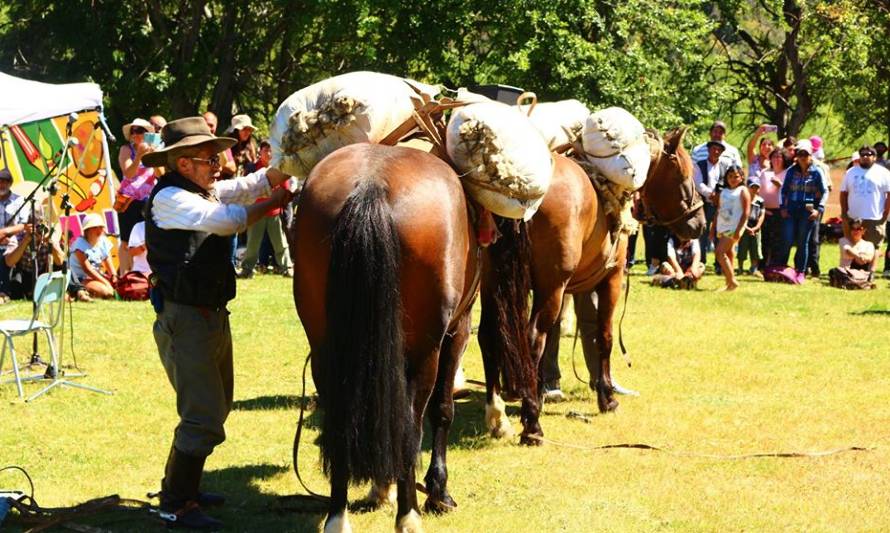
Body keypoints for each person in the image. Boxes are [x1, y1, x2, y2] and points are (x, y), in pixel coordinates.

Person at [141, 117, 293, 529]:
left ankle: (184, 487)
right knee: (202, 414)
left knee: (216, 404)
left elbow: (249, 185)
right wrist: (274, 203)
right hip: (186, 319)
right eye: (207, 158)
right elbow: (229, 220)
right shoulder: (170, 198)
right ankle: (175, 502)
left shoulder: (197, 189)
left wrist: (289, 168)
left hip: (205, 315)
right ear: (183, 163)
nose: (217, 163)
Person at [237, 141, 293, 278]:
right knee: (252, 244)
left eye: (270, 150)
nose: (268, 153)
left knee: (281, 243)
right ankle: (247, 269)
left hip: (274, 212)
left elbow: (285, 188)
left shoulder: (279, 167)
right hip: (256, 211)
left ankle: (287, 268)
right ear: (260, 152)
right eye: (265, 150)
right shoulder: (252, 168)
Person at [778, 140, 827, 283]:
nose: (802, 156)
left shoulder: (817, 172)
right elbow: (784, 190)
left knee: (802, 241)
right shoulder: (791, 171)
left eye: (805, 154)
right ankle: (782, 268)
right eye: (800, 153)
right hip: (791, 209)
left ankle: (801, 271)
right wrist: (783, 207)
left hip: (808, 210)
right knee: (786, 240)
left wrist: (819, 209)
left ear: (811, 155)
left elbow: (824, 192)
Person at [117, 118, 160, 274]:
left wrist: (154, 157)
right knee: (126, 240)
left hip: (150, 200)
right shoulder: (126, 149)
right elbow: (128, 173)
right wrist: (139, 156)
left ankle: (148, 273)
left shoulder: (156, 149)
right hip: (128, 200)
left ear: (148, 133)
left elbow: (161, 174)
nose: (135, 134)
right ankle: (124, 276)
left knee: (150, 237)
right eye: (133, 131)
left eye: (139, 131)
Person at [839, 145, 890, 273]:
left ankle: (871, 272)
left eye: (868, 154)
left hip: (874, 217)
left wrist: (885, 214)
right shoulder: (851, 172)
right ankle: (850, 271)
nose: (865, 156)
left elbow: (889, 194)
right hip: (853, 216)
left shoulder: (884, 173)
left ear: (875, 157)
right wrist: (844, 213)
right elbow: (843, 193)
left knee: (874, 246)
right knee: (853, 244)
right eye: (862, 154)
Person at [710, 165, 750, 291]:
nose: (733, 179)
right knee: (728, 254)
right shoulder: (724, 192)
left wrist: (739, 229)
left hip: (734, 227)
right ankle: (729, 283)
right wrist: (713, 228)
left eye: (736, 176)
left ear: (741, 177)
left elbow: (746, 212)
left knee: (719, 252)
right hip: (722, 227)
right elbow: (718, 210)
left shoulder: (743, 190)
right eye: (730, 176)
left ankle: (732, 280)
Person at [692, 139, 729, 268]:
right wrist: (712, 195)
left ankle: (719, 263)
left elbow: (728, 183)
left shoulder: (725, 166)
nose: (716, 151)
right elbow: (698, 183)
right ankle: (701, 261)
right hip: (703, 203)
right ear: (708, 150)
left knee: (721, 232)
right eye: (713, 148)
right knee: (702, 231)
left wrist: (720, 196)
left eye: (719, 150)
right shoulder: (699, 164)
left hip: (721, 204)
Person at [69, 213, 117, 299]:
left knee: (114, 290)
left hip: (96, 277)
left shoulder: (103, 241)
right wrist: (106, 283)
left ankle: (83, 293)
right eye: (95, 227)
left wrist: (115, 278)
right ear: (87, 230)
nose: (99, 230)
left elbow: (109, 266)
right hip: (79, 279)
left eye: (101, 227)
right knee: (106, 292)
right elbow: (87, 269)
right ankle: (78, 292)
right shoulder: (79, 245)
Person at [758, 149, 791, 267]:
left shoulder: (788, 173)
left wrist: (780, 185)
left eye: (779, 157)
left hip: (781, 211)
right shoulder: (765, 173)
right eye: (774, 157)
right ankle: (763, 263)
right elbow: (759, 191)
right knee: (765, 238)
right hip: (765, 210)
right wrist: (762, 208)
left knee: (778, 239)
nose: (776, 159)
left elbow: (790, 192)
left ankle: (776, 264)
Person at [0, 168, 27, 303]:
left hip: (13, 240)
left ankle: (3, 292)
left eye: (5, 182)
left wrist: (5, 233)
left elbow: (24, 225)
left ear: (10, 183)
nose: (2, 185)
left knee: (6, 255)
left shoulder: (20, 201)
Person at [829, 218, 876, 289]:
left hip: (863, 271)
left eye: (858, 228)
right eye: (853, 228)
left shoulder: (869, 244)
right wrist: (860, 256)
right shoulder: (843, 240)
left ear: (864, 231)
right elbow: (848, 251)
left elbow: (869, 258)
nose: (855, 231)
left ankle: (866, 278)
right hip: (847, 272)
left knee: (876, 253)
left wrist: (859, 257)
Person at [737, 178, 765, 276]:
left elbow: (762, 215)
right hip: (744, 226)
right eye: (752, 187)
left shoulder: (760, 201)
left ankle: (754, 268)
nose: (754, 189)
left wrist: (756, 227)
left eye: (757, 187)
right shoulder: (743, 200)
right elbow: (740, 214)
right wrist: (745, 227)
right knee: (742, 248)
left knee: (756, 248)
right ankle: (740, 268)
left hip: (755, 228)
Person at [202, 112, 237, 177]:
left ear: (216, 126)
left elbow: (233, 168)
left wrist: (214, 163)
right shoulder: (194, 142)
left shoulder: (222, 144)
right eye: (206, 125)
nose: (208, 128)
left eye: (211, 125)